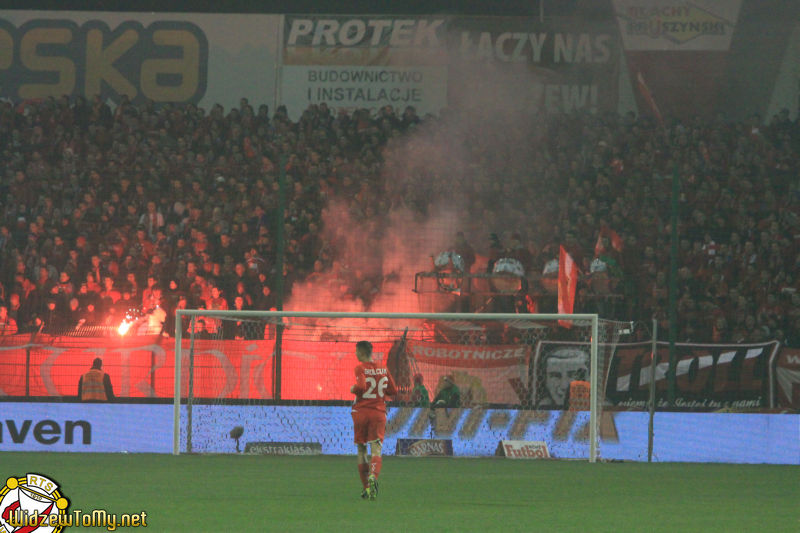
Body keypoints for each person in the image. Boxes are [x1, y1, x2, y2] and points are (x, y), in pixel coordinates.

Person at [350, 340, 397, 501]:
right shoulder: (383, 368)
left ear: (362, 352)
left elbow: (361, 386)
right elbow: (393, 390)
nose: (355, 354)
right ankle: (373, 478)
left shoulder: (360, 368)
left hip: (361, 413)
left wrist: (353, 389)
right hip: (378, 413)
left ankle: (366, 488)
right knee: (376, 449)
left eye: (356, 351)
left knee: (361, 450)